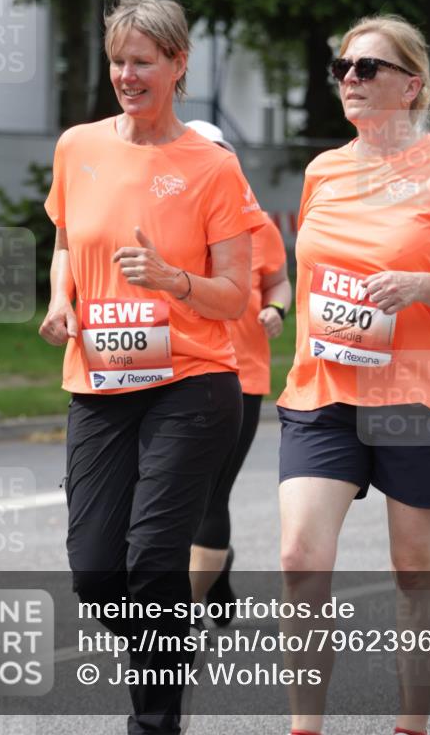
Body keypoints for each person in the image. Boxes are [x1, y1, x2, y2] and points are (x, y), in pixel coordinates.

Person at [39, 0, 264, 735]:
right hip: (100, 380)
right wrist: (59, 300)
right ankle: (169, 656)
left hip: (193, 385)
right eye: (116, 62)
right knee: (97, 575)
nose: (126, 76)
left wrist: (174, 281)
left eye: (142, 62)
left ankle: (155, 721)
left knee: (152, 562)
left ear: (177, 64)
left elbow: (236, 296)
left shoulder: (211, 167)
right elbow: (68, 241)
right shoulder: (78, 146)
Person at [277, 15, 430, 735]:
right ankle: (303, 728)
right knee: (298, 558)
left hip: (424, 396)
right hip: (325, 391)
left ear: (410, 85)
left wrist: (416, 284)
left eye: (368, 67)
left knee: (414, 572)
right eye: (344, 66)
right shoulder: (323, 171)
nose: (350, 78)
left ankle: (410, 725)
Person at [183, 120, 292, 611]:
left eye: (220, 155)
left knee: (211, 492)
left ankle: (174, 618)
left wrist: (277, 309)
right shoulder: (164, 217)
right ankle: (215, 570)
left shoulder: (257, 224)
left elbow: (279, 282)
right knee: (169, 496)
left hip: (240, 374)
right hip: (174, 371)